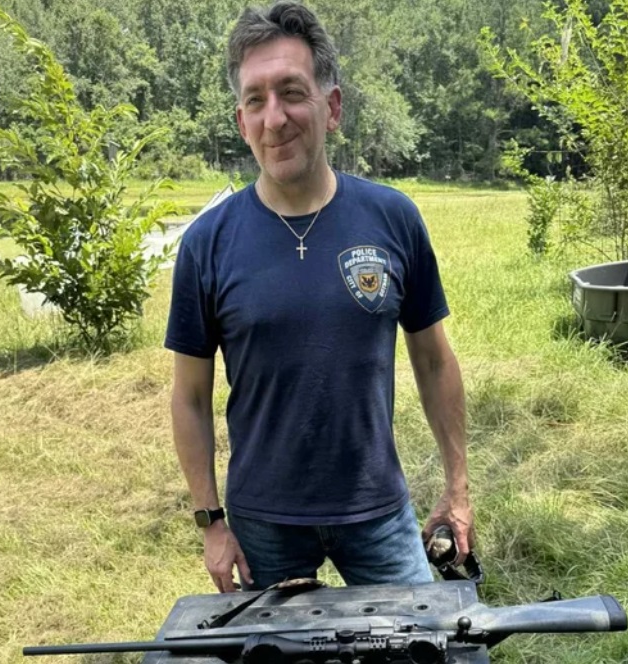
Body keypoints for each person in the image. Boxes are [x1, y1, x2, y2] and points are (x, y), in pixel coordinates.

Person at [165, 1, 473, 593]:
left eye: (291, 93)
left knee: (423, 637)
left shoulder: (393, 218)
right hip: (263, 522)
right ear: (241, 121)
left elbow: (434, 361)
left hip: (377, 510)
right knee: (273, 645)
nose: (275, 118)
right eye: (256, 100)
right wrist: (211, 521)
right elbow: (190, 397)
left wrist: (457, 488)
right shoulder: (208, 244)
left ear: (331, 107)